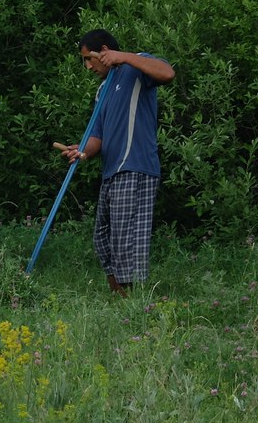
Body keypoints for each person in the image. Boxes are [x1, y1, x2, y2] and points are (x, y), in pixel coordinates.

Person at [61, 29, 175, 296]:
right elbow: (97, 137)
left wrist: (122, 56)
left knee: (126, 240)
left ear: (104, 51)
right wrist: (82, 150)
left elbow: (167, 73)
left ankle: (133, 303)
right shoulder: (103, 90)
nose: (88, 66)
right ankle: (120, 297)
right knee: (103, 238)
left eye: (89, 58)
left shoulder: (136, 66)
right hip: (112, 171)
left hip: (135, 167)